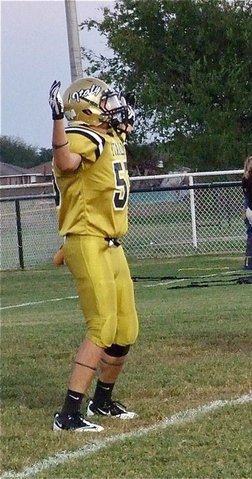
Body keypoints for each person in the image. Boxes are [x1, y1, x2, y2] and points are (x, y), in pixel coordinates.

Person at [48, 77, 139, 431]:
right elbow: (65, 161)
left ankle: (102, 400)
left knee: (125, 329)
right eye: (105, 103)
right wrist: (58, 119)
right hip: (88, 239)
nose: (113, 108)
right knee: (101, 326)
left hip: (112, 243)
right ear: (86, 110)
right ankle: (68, 414)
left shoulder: (110, 137)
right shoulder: (83, 134)